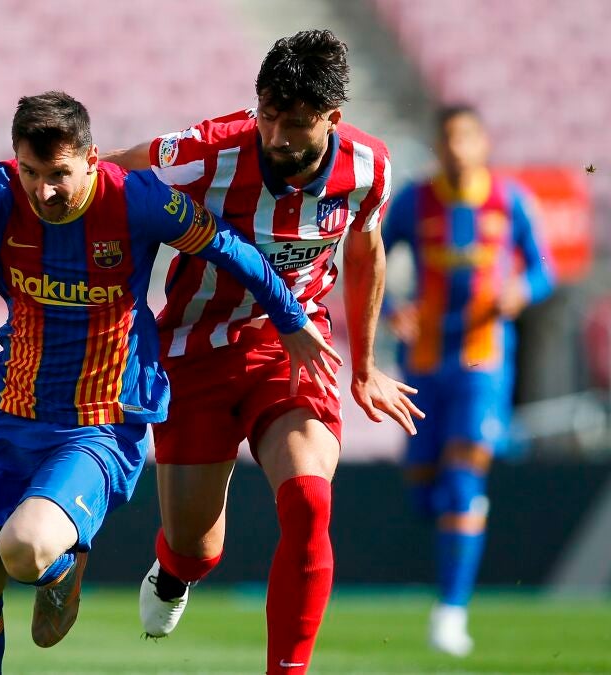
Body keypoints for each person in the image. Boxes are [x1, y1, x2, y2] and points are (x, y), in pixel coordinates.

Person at [0, 90, 339, 675]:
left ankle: (62, 568)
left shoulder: (136, 199)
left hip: (98, 421)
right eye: (31, 172)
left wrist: (291, 319)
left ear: (91, 159)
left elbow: (233, 250)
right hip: (9, 410)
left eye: (59, 175)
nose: (43, 191)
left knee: (24, 547)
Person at [103, 29, 423, 674]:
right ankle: (175, 570)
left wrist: (364, 365)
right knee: (196, 549)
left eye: (296, 123)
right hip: (195, 349)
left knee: (308, 500)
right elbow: (106, 176)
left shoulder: (370, 168)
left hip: (293, 349)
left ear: (332, 118)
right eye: (268, 115)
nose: (276, 136)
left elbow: (365, 250)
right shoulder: (206, 152)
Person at [383, 104, 553, 657]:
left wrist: (522, 290)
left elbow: (544, 268)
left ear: (483, 144)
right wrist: (391, 308)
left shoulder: (511, 200)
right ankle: (458, 518)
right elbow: (371, 257)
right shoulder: (414, 201)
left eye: (466, 138)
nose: (457, 149)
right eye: (448, 139)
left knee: (461, 481)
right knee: (424, 490)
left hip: (483, 362)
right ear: (438, 147)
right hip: (424, 362)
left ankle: (451, 613)